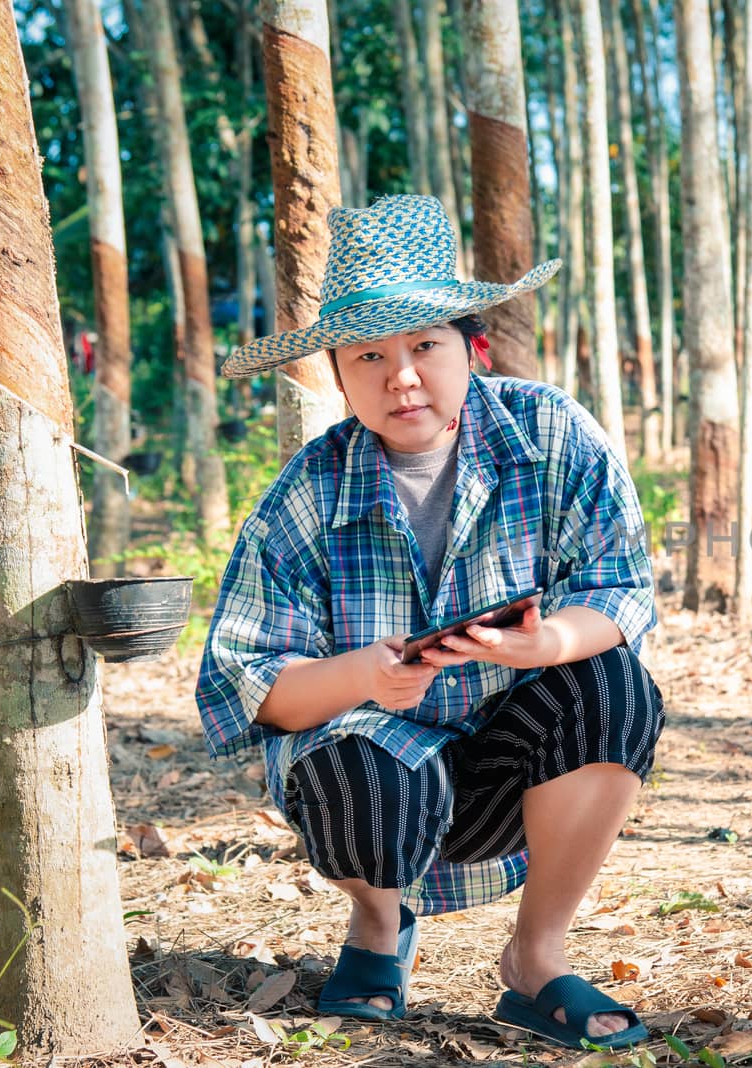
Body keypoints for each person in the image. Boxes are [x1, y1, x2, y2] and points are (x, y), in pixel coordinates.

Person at [195, 195, 663, 1049]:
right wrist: (365, 678)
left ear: (469, 347)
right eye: (368, 354)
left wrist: (547, 641)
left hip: (516, 771)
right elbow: (247, 688)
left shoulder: (550, 432)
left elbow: (621, 586)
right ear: (337, 372)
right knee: (359, 759)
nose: (400, 375)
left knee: (615, 686)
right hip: (375, 782)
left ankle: (535, 958)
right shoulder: (304, 494)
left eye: (424, 345)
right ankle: (377, 927)